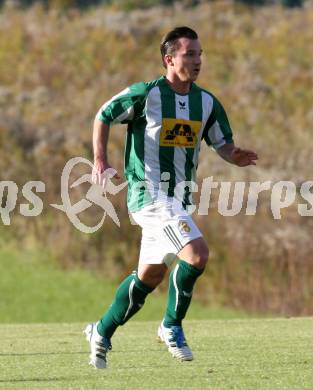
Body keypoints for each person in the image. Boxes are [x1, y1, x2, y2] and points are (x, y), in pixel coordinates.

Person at [84, 26, 258, 369]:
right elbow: (103, 115)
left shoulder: (206, 102)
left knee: (148, 277)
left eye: (199, 54)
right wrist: (100, 160)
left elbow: (220, 142)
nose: (196, 60)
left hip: (177, 200)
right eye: (189, 54)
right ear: (169, 59)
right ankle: (171, 326)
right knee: (196, 255)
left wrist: (232, 154)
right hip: (148, 195)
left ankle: (101, 330)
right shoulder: (146, 94)